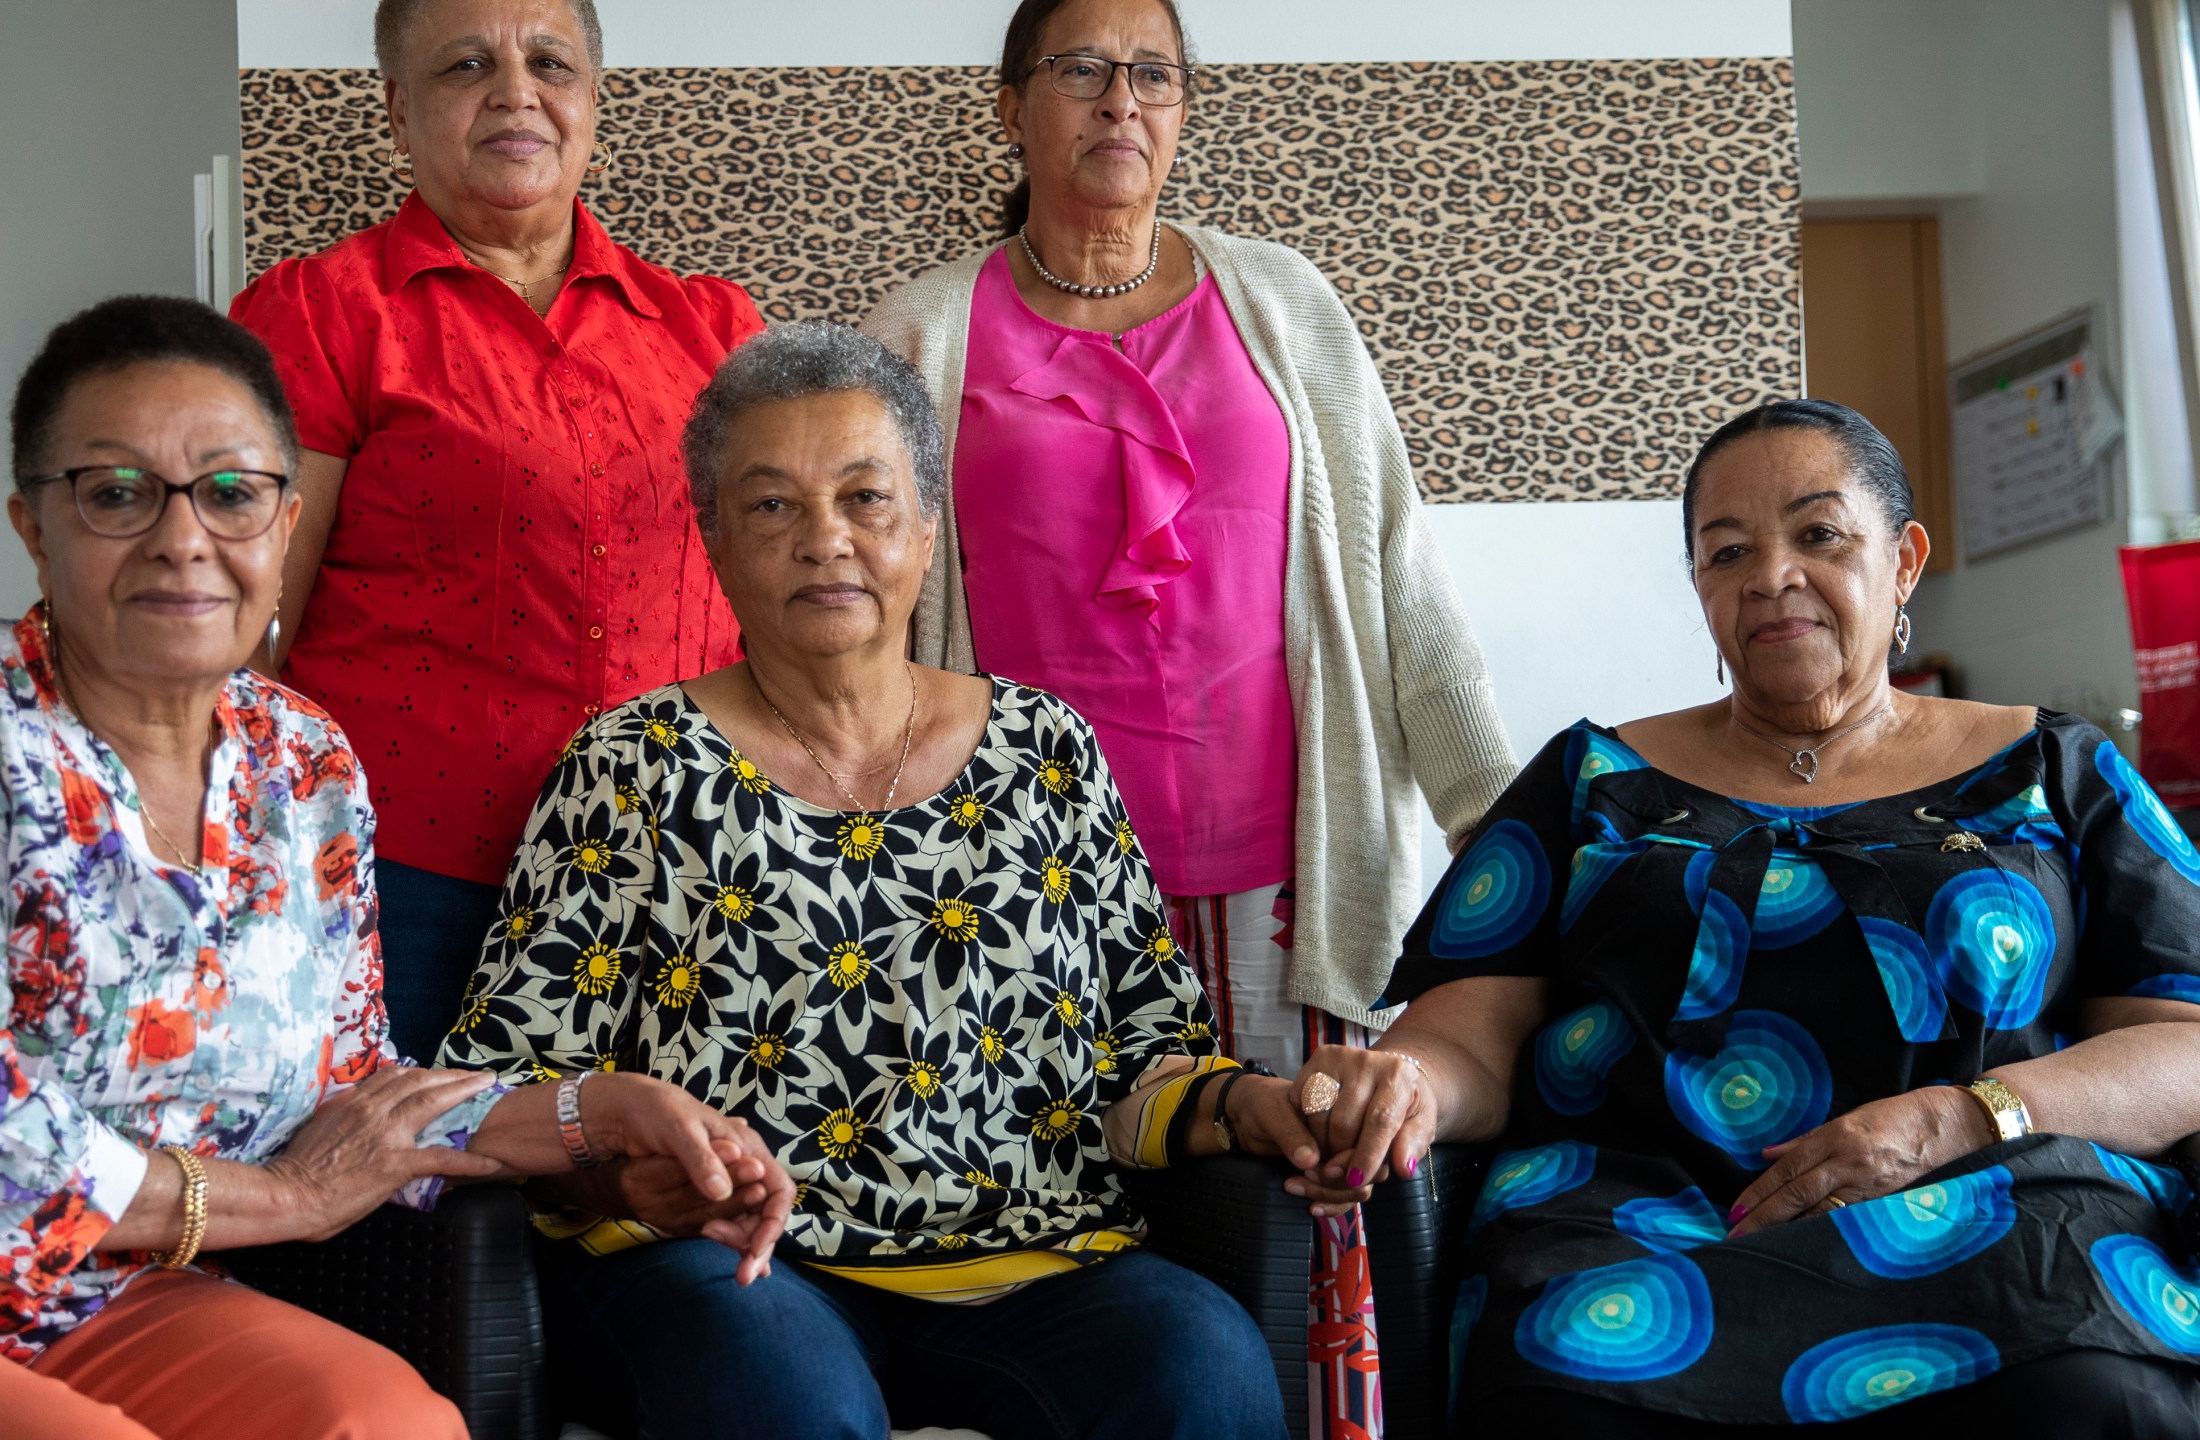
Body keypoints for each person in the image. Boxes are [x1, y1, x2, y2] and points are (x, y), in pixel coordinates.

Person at [0, 297, 788, 1440]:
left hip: (97, 1294)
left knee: (392, 1425)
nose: (181, 539)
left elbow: (354, 1095)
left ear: (287, 525)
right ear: (32, 527)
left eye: (230, 494)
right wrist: (282, 1200)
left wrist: (600, 1125)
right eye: (115, 492)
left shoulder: (305, 764)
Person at [440, 323, 1330, 1439]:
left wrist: (1260, 1105)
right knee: (788, 1395)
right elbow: (491, 1092)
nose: (826, 540)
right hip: (734, 1273)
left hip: (1034, 1267)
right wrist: (615, 1180)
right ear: (712, 539)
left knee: (1201, 1361)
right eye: (770, 505)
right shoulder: (629, 766)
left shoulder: (1045, 750)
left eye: (864, 497)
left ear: (923, 525)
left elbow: (1148, 1058)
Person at [859, 0, 1516, 1425]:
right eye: (1080, 70)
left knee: (1296, 1239)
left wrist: (1523, 847)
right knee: (1060, 1263)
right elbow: (862, 620)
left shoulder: (1281, 304)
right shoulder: (919, 328)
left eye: (1151, 73)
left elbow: (1401, 581)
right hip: (1015, 895)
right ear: (1009, 106)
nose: (1119, 102)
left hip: (1284, 887)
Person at [1303, 399, 2200, 1436]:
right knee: (1565, 1395)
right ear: (1699, 587)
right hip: (1640, 1226)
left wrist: (1958, 1117)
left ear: (1902, 559)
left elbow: (2180, 1046)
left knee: (2086, 1392)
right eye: (1726, 553)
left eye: (1819, 535)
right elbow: (1468, 1034)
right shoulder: (1591, 778)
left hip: (1991, 1210)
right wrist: (1403, 1086)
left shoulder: (2049, 767)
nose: (1771, 575)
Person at [230, 0, 763, 1057]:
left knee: (674, 1193)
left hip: (689, 863)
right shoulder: (322, 314)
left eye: (549, 62)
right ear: (398, 110)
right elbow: (249, 622)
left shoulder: (710, 327)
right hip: (413, 875)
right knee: (429, 1200)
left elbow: (778, 599)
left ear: (592, 100)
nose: (515, 91)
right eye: (467, 65)